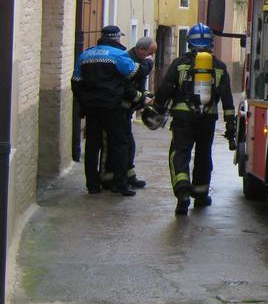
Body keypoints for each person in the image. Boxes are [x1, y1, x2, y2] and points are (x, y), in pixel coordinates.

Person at [153, 23, 235, 215]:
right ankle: (200, 195)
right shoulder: (220, 67)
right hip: (208, 119)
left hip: (182, 118)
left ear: (189, 42)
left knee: (180, 152)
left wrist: (157, 110)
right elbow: (228, 101)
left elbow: (165, 90)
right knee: (204, 154)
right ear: (211, 43)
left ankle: (182, 192)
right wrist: (231, 125)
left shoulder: (180, 64)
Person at [71, 25, 140, 196]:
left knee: (92, 145)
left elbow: (76, 82)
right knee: (119, 144)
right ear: (116, 38)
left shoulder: (85, 55)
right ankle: (120, 184)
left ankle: (92, 185)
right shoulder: (118, 55)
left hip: (92, 108)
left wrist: (83, 104)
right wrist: (146, 64)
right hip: (112, 107)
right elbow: (133, 73)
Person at [108, 37, 157, 190]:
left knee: (128, 145)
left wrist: (147, 95)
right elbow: (127, 89)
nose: (150, 58)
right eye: (149, 54)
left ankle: (129, 176)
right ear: (141, 50)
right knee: (123, 145)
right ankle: (118, 180)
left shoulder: (138, 61)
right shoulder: (127, 61)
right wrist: (142, 99)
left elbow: (140, 84)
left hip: (126, 110)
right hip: (118, 109)